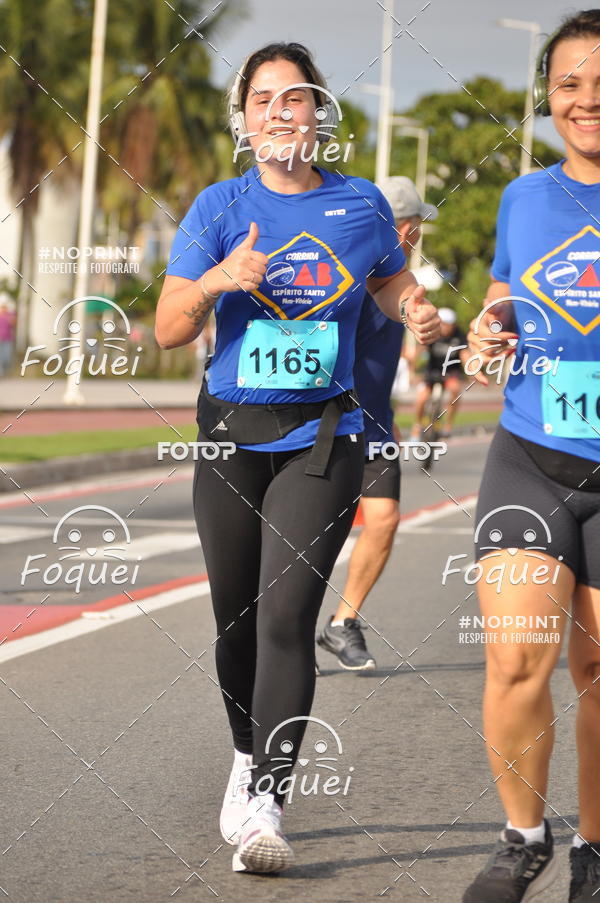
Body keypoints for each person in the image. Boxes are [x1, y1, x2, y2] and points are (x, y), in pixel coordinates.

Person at [155, 42, 441, 875]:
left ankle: (270, 801)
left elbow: (390, 284)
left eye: (297, 98)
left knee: (286, 619)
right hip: (229, 440)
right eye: (264, 100)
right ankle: (245, 755)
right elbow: (173, 323)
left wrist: (416, 309)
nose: (281, 111)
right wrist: (219, 278)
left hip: (324, 438)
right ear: (242, 121)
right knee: (236, 622)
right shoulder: (218, 205)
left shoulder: (360, 206)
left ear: (319, 114)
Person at [462, 11, 600, 902]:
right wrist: (486, 335)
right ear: (548, 96)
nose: (588, 101)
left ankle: (597, 849)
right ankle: (524, 835)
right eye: (570, 85)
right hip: (532, 456)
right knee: (516, 662)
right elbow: (505, 298)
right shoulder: (524, 197)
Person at [316, 176, 438, 671]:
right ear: (404, 227)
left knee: (383, 519)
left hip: (376, 423)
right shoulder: (344, 271)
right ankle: (284, 624)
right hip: (326, 421)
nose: (419, 233)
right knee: (313, 531)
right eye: (417, 225)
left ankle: (343, 623)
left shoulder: (402, 282)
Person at [409, 307, 468, 441]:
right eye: (443, 323)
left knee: (455, 390)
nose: (445, 327)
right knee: (421, 398)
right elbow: (421, 349)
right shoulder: (432, 334)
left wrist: (471, 369)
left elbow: (464, 354)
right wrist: (414, 365)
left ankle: (448, 425)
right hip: (432, 372)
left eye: (448, 324)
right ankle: (417, 426)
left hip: (451, 372)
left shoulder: (459, 336)